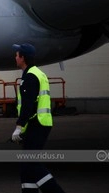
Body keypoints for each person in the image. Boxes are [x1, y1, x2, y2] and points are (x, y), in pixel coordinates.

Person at [11, 43, 66, 193]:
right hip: (39, 123)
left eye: (17, 55)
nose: (15, 58)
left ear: (23, 58)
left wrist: (19, 127)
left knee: (31, 162)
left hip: (37, 124)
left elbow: (28, 105)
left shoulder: (30, 76)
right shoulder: (36, 73)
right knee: (26, 165)